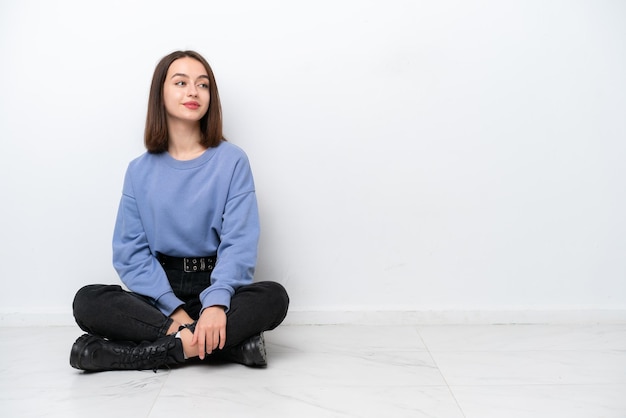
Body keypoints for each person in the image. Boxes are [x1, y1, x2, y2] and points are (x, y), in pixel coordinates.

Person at [70, 50, 289, 372]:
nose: (193, 92)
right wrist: (172, 310)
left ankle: (131, 354)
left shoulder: (232, 161)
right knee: (88, 300)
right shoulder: (139, 170)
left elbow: (239, 242)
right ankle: (229, 347)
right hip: (159, 288)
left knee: (274, 297)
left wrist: (216, 303)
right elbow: (130, 252)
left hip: (217, 281)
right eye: (181, 82)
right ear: (161, 92)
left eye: (203, 85)